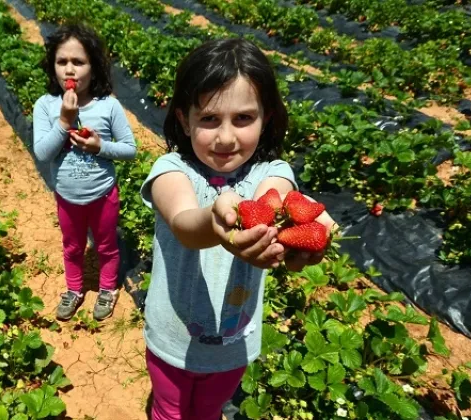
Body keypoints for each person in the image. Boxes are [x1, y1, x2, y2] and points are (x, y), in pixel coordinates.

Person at [140, 38, 335, 420]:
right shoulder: (171, 170)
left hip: (234, 344)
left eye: (243, 118)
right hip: (171, 339)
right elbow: (184, 224)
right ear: (184, 119)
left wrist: (303, 231)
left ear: (267, 118)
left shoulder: (273, 174)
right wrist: (217, 218)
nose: (226, 137)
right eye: (209, 119)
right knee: (169, 411)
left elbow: (273, 200)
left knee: (210, 410)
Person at [33, 24, 137, 321]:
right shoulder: (46, 106)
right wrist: (64, 121)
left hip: (103, 194)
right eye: (61, 62)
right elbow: (42, 153)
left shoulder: (109, 107)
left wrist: (99, 146)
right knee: (72, 246)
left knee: (106, 245)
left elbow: (130, 149)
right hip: (66, 197)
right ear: (52, 66)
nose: (69, 70)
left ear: (94, 67)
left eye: (78, 62)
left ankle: (107, 288)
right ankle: (75, 289)